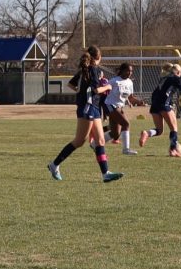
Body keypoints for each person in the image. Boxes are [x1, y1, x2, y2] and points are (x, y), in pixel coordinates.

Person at [48, 46, 124, 183]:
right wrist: (107, 87)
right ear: (98, 57)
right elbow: (96, 90)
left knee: (100, 141)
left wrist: (81, 91)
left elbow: (71, 85)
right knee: (79, 141)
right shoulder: (93, 69)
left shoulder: (85, 69)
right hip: (88, 107)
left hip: (93, 107)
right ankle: (54, 165)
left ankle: (105, 173)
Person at [138, 63, 181, 157]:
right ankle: (173, 150)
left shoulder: (164, 77)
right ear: (178, 72)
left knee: (159, 130)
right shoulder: (175, 78)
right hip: (164, 105)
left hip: (155, 105)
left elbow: (155, 93)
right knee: (174, 129)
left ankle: (147, 133)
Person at [103, 62, 144, 155]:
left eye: (131, 71)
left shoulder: (130, 82)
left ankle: (95, 144)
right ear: (122, 71)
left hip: (119, 107)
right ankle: (126, 149)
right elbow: (104, 90)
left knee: (115, 134)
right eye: (127, 71)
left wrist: (139, 101)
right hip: (110, 105)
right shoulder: (114, 81)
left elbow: (130, 98)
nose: (129, 73)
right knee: (126, 123)